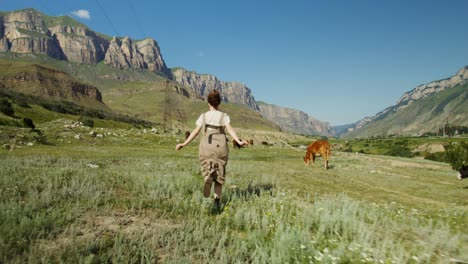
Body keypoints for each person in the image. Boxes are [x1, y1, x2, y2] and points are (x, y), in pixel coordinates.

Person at [176, 90, 245, 209]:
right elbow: (230, 130)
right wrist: (238, 141)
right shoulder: (224, 116)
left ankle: (208, 176)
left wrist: (184, 143)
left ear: (209, 103)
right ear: (219, 103)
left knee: (208, 166)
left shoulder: (203, 116)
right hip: (220, 146)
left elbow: (195, 132)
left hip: (206, 145)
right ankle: (216, 204)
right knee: (219, 175)